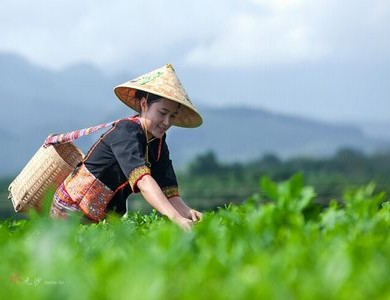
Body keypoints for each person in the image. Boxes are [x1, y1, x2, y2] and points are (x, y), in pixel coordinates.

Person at [50, 64, 203, 231]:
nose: (167, 122)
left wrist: (187, 212)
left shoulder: (157, 142)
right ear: (144, 105)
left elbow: (169, 190)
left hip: (103, 216)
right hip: (72, 210)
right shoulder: (127, 131)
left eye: (172, 116)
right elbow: (143, 181)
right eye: (162, 112)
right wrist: (175, 218)